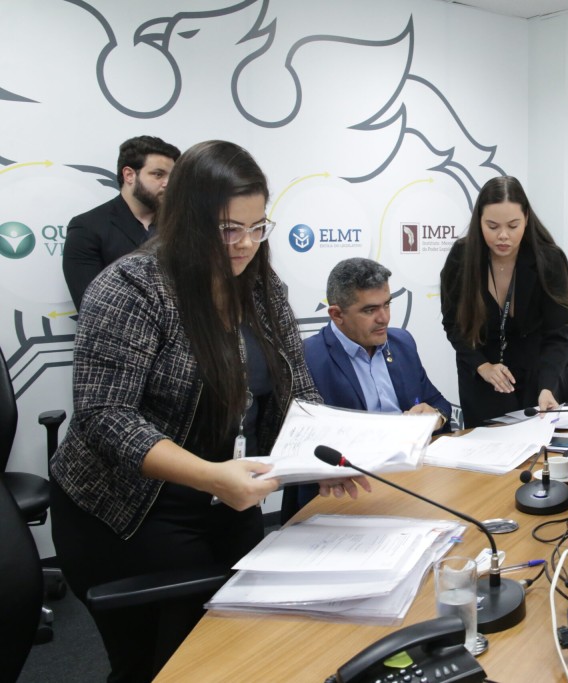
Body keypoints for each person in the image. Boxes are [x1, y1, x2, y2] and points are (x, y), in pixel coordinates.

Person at [48, 140, 369, 683]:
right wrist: (209, 476)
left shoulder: (261, 286)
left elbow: (298, 389)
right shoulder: (131, 286)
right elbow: (105, 416)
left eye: (257, 227)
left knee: (240, 647)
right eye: (227, 229)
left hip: (227, 494)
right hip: (132, 509)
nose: (245, 244)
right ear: (187, 218)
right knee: (168, 662)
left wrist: (325, 453)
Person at [289, 257, 452, 518]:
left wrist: (435, 416)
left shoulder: (402, 343)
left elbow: (439, 403)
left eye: (387, 304)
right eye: (369, 310)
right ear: (337, 314)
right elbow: (300, 445)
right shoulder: (307, 358)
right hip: (348, 493)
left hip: (411, 482)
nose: (384, 318)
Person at [440, 176, 568, 427]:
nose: (503, 236)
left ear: (526, 218)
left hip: (537, 379)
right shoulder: (462, 257)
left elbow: (557, 335)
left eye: (513, 226)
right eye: (492, 226)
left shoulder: (549, 260)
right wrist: (482, 366)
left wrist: (548, 386)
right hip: (482, 379)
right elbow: (453, 324)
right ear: (479, 221)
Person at [63, 135, 181, 309]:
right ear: (129, 175)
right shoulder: (87, 228)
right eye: (158, 174)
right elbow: (91, 306)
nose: (168, 184)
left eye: (173, 176)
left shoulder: (181, 225)